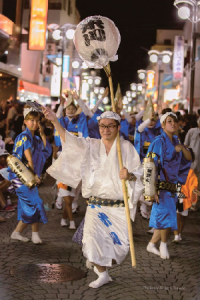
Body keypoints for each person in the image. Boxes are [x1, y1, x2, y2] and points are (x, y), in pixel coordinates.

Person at [43, 107, 143, 289]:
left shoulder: (126, 148)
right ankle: (102, 273)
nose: (106, 130)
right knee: (90, 240)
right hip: (96, 205)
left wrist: (130, 175)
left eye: (110, 126)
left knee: (117, 247)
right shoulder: (91, 145)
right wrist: (55, 121)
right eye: (103, 126)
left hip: (118, 207)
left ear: (118, 127)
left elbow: (140, 172)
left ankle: (101, 265)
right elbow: (70, 141)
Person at [146, 112, 192, 259]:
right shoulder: (158, 141)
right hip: (160, 185)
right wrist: (152, 189)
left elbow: (188, 158)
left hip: (173, 185)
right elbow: (150, 165)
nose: (173, 124)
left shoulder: (177, 140)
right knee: (165, 215)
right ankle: (163, 244)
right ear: (163, 124)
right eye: (169, 121)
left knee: (168, 215)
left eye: (175, 121)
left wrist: (182, 148)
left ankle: (152, 244)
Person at [8, 105, 52, 244]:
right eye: (31, 120)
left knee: (27, 206)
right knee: (36, 203)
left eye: (37, 120)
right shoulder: (24, 137)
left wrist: (43, 135)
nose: (35, 123)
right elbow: (29, 160)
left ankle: (17, 233)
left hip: (28, 178)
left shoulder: (36, 139)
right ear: (25, 122)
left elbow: (45, 152)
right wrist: (34, 176)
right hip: (21, 178)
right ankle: (35, 234)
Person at [184, 118, 200, 210]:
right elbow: (186, 145)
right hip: (191, 163)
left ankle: (194, 203)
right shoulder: (192, 131)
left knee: (197, 184)